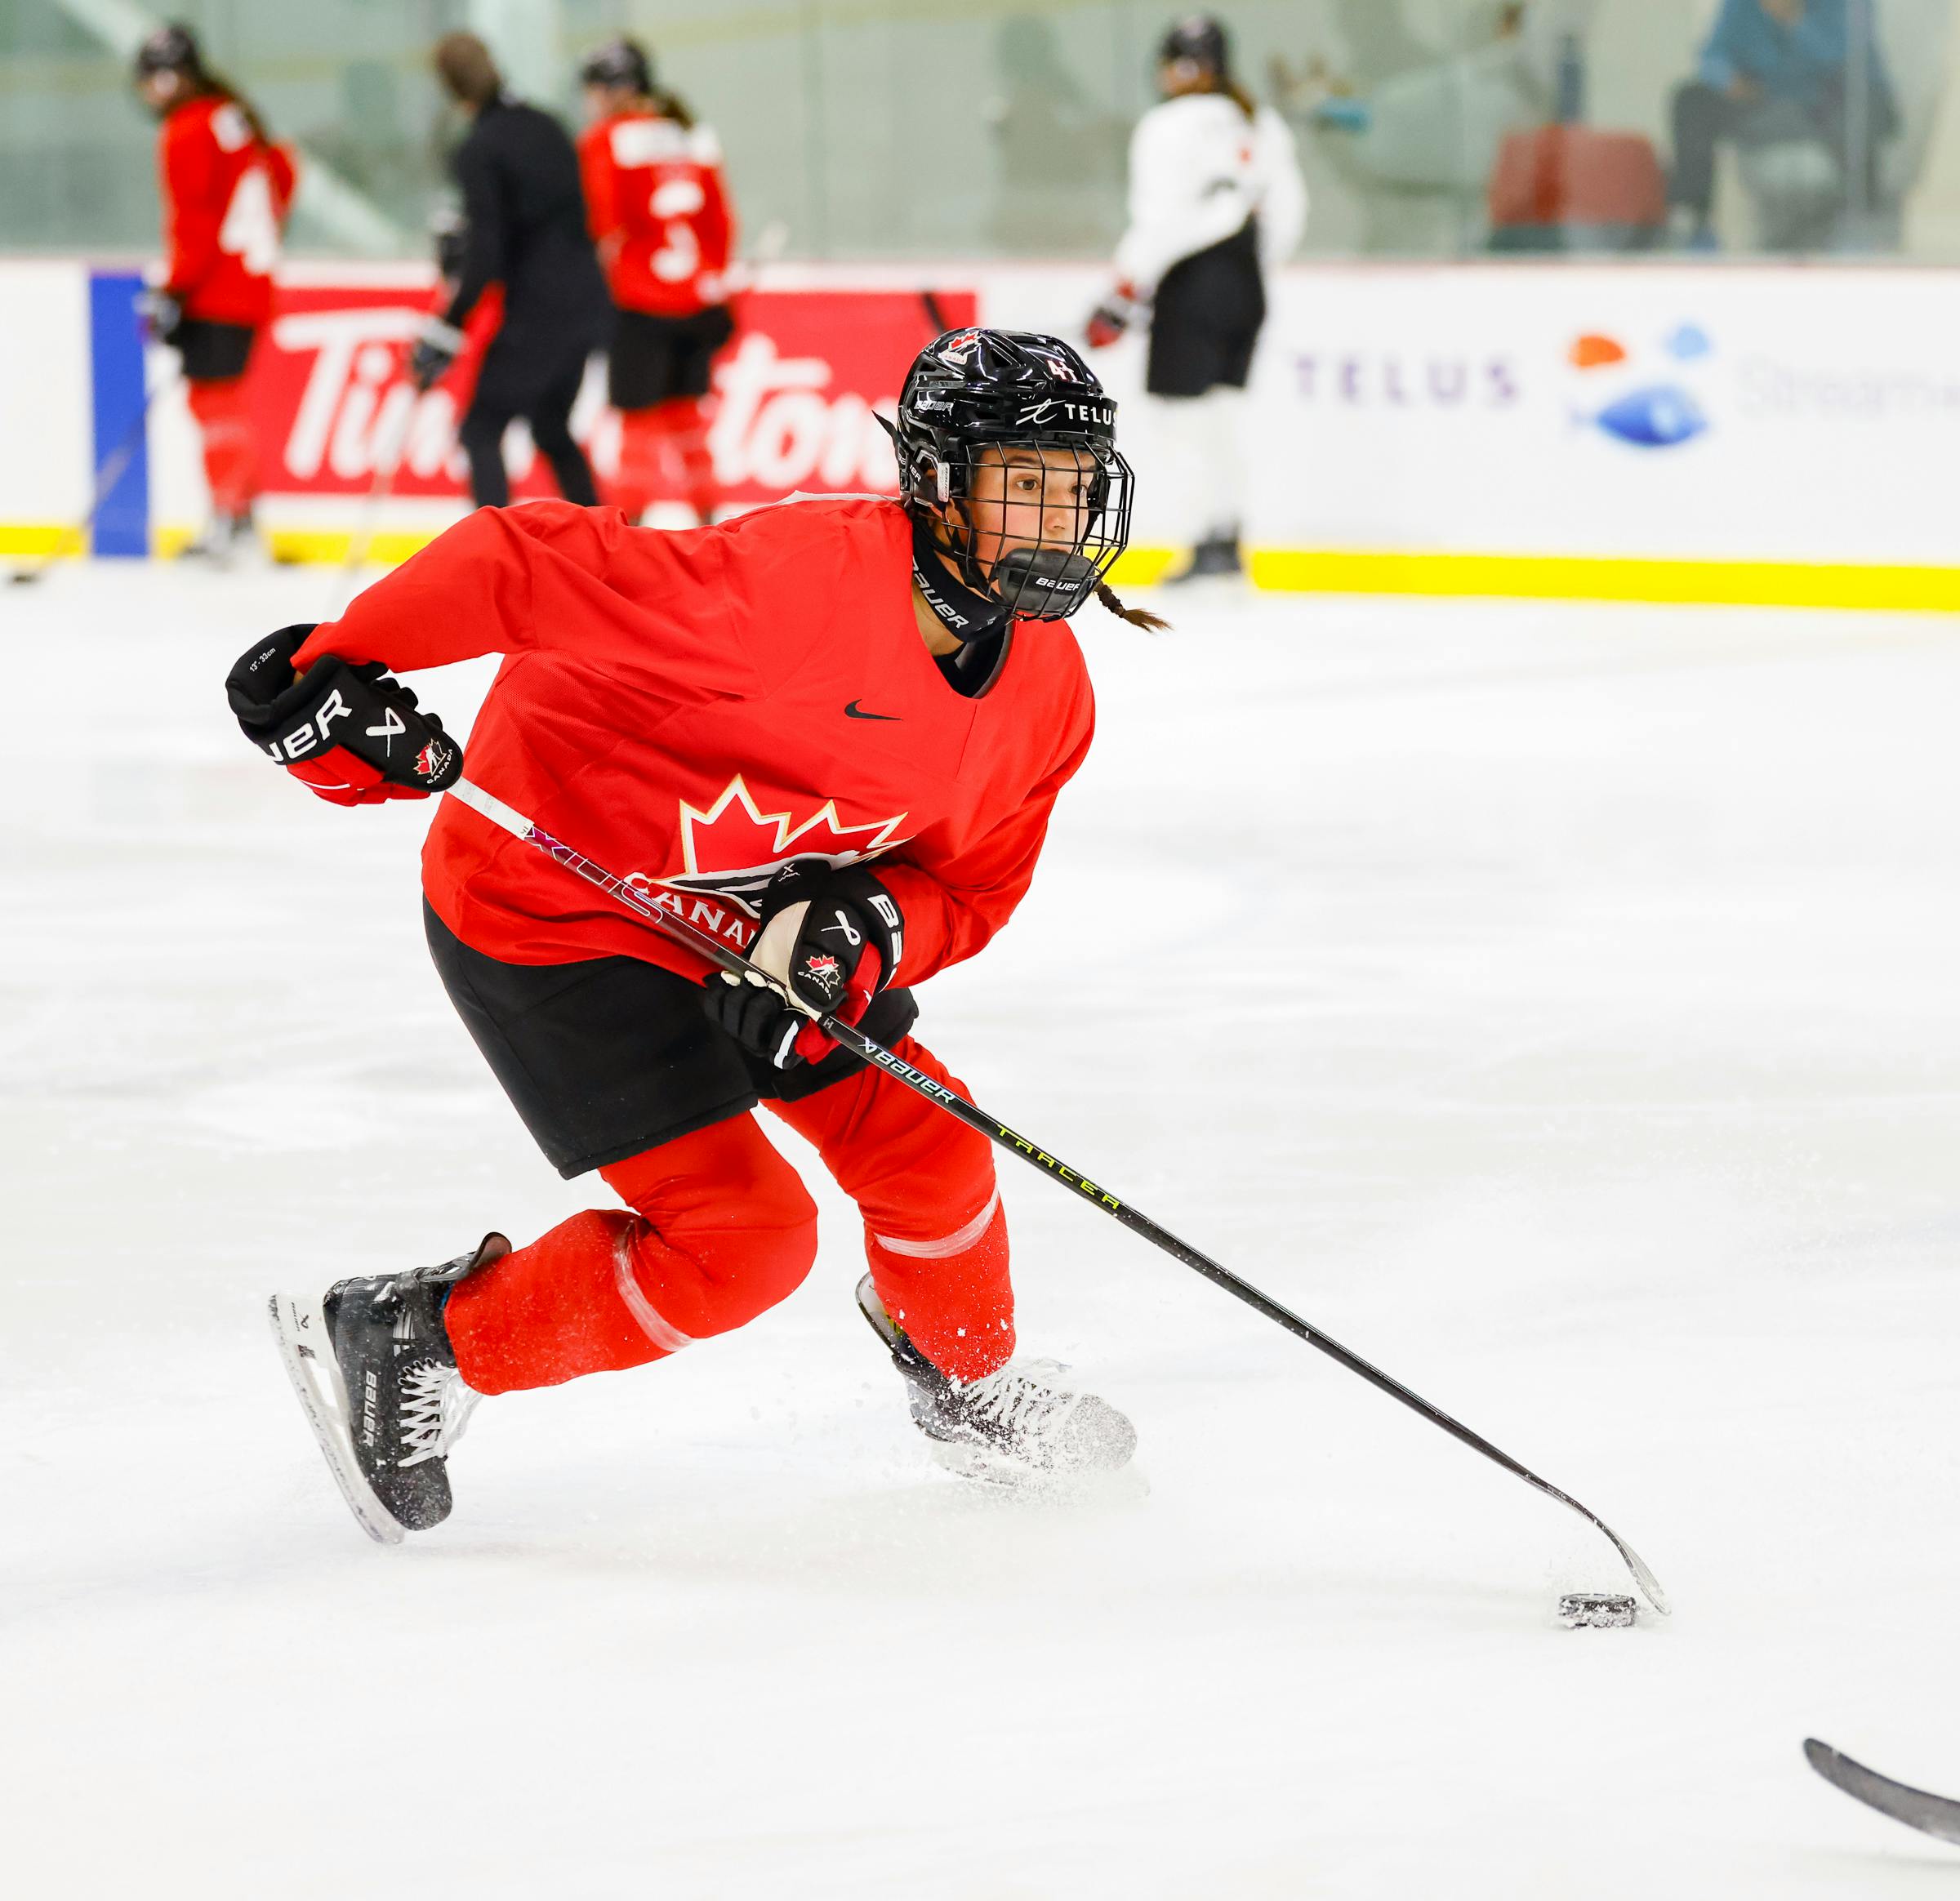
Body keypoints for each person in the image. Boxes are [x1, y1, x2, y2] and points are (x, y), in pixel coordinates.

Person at [238, 329, 1167, 1540]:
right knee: (747, 1246)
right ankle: (419, 1341)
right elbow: (519, 561)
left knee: (933, 1150)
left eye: (1075, 481)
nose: (1057, 517)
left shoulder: (1049, 693)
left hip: (757, 932)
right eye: (1021, 481)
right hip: (555, 913)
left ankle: (964, 1385)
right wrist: (329, 675)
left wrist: (866, 929)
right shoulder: (792, 591)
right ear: (937, 484)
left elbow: (973, 892)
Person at [1087, 16, 1306, 584]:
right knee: (1218, 416)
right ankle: (1226, 537)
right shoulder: (1260, 123)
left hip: (1193, 285)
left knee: (1186, 420)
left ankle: (1210, 540)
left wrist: (1124, 288)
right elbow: (1289, 213)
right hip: (1246, 282)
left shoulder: (1167, 125)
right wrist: (1249, 271)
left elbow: (1158, 222)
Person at [411, 33, 612, 511]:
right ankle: (610, 541)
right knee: (551, 425)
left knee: (481, 428)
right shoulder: (549, 126)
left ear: (452, 91)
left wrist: (447, 326)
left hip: (539, 313)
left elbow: (488, 256)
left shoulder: (480, 148)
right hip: (588, 304)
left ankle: (494, 554)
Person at [131, 23, 296, 564]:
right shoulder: (232, 113)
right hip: (250, 282)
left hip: (215, 289)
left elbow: (195, 223)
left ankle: (231, 521)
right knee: (221, 401)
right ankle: (240, 518)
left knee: (214, 402)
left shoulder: (187, 128)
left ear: (166, 79)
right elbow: (284, 172)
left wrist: (174, 288)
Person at [577, 38, 738, 528]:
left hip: (640, 304)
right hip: (697, 303)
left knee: (638, 431)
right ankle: (714, 531)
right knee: (689, 425)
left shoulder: (605, 140)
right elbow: (722, 228)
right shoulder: (692, 134)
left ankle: (622, 539)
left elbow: (601, 224)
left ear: (615, 89)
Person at [1668, 0, 1897, 249]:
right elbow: (1712, 56)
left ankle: (1859, 221)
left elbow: (1847, 60)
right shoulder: (1741, 5)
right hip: (1769, 105)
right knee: (1691, 99)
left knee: (1861, 108)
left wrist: (1793, 18)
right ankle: (1696, 223)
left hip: (1827, 103)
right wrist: (1728, 80)